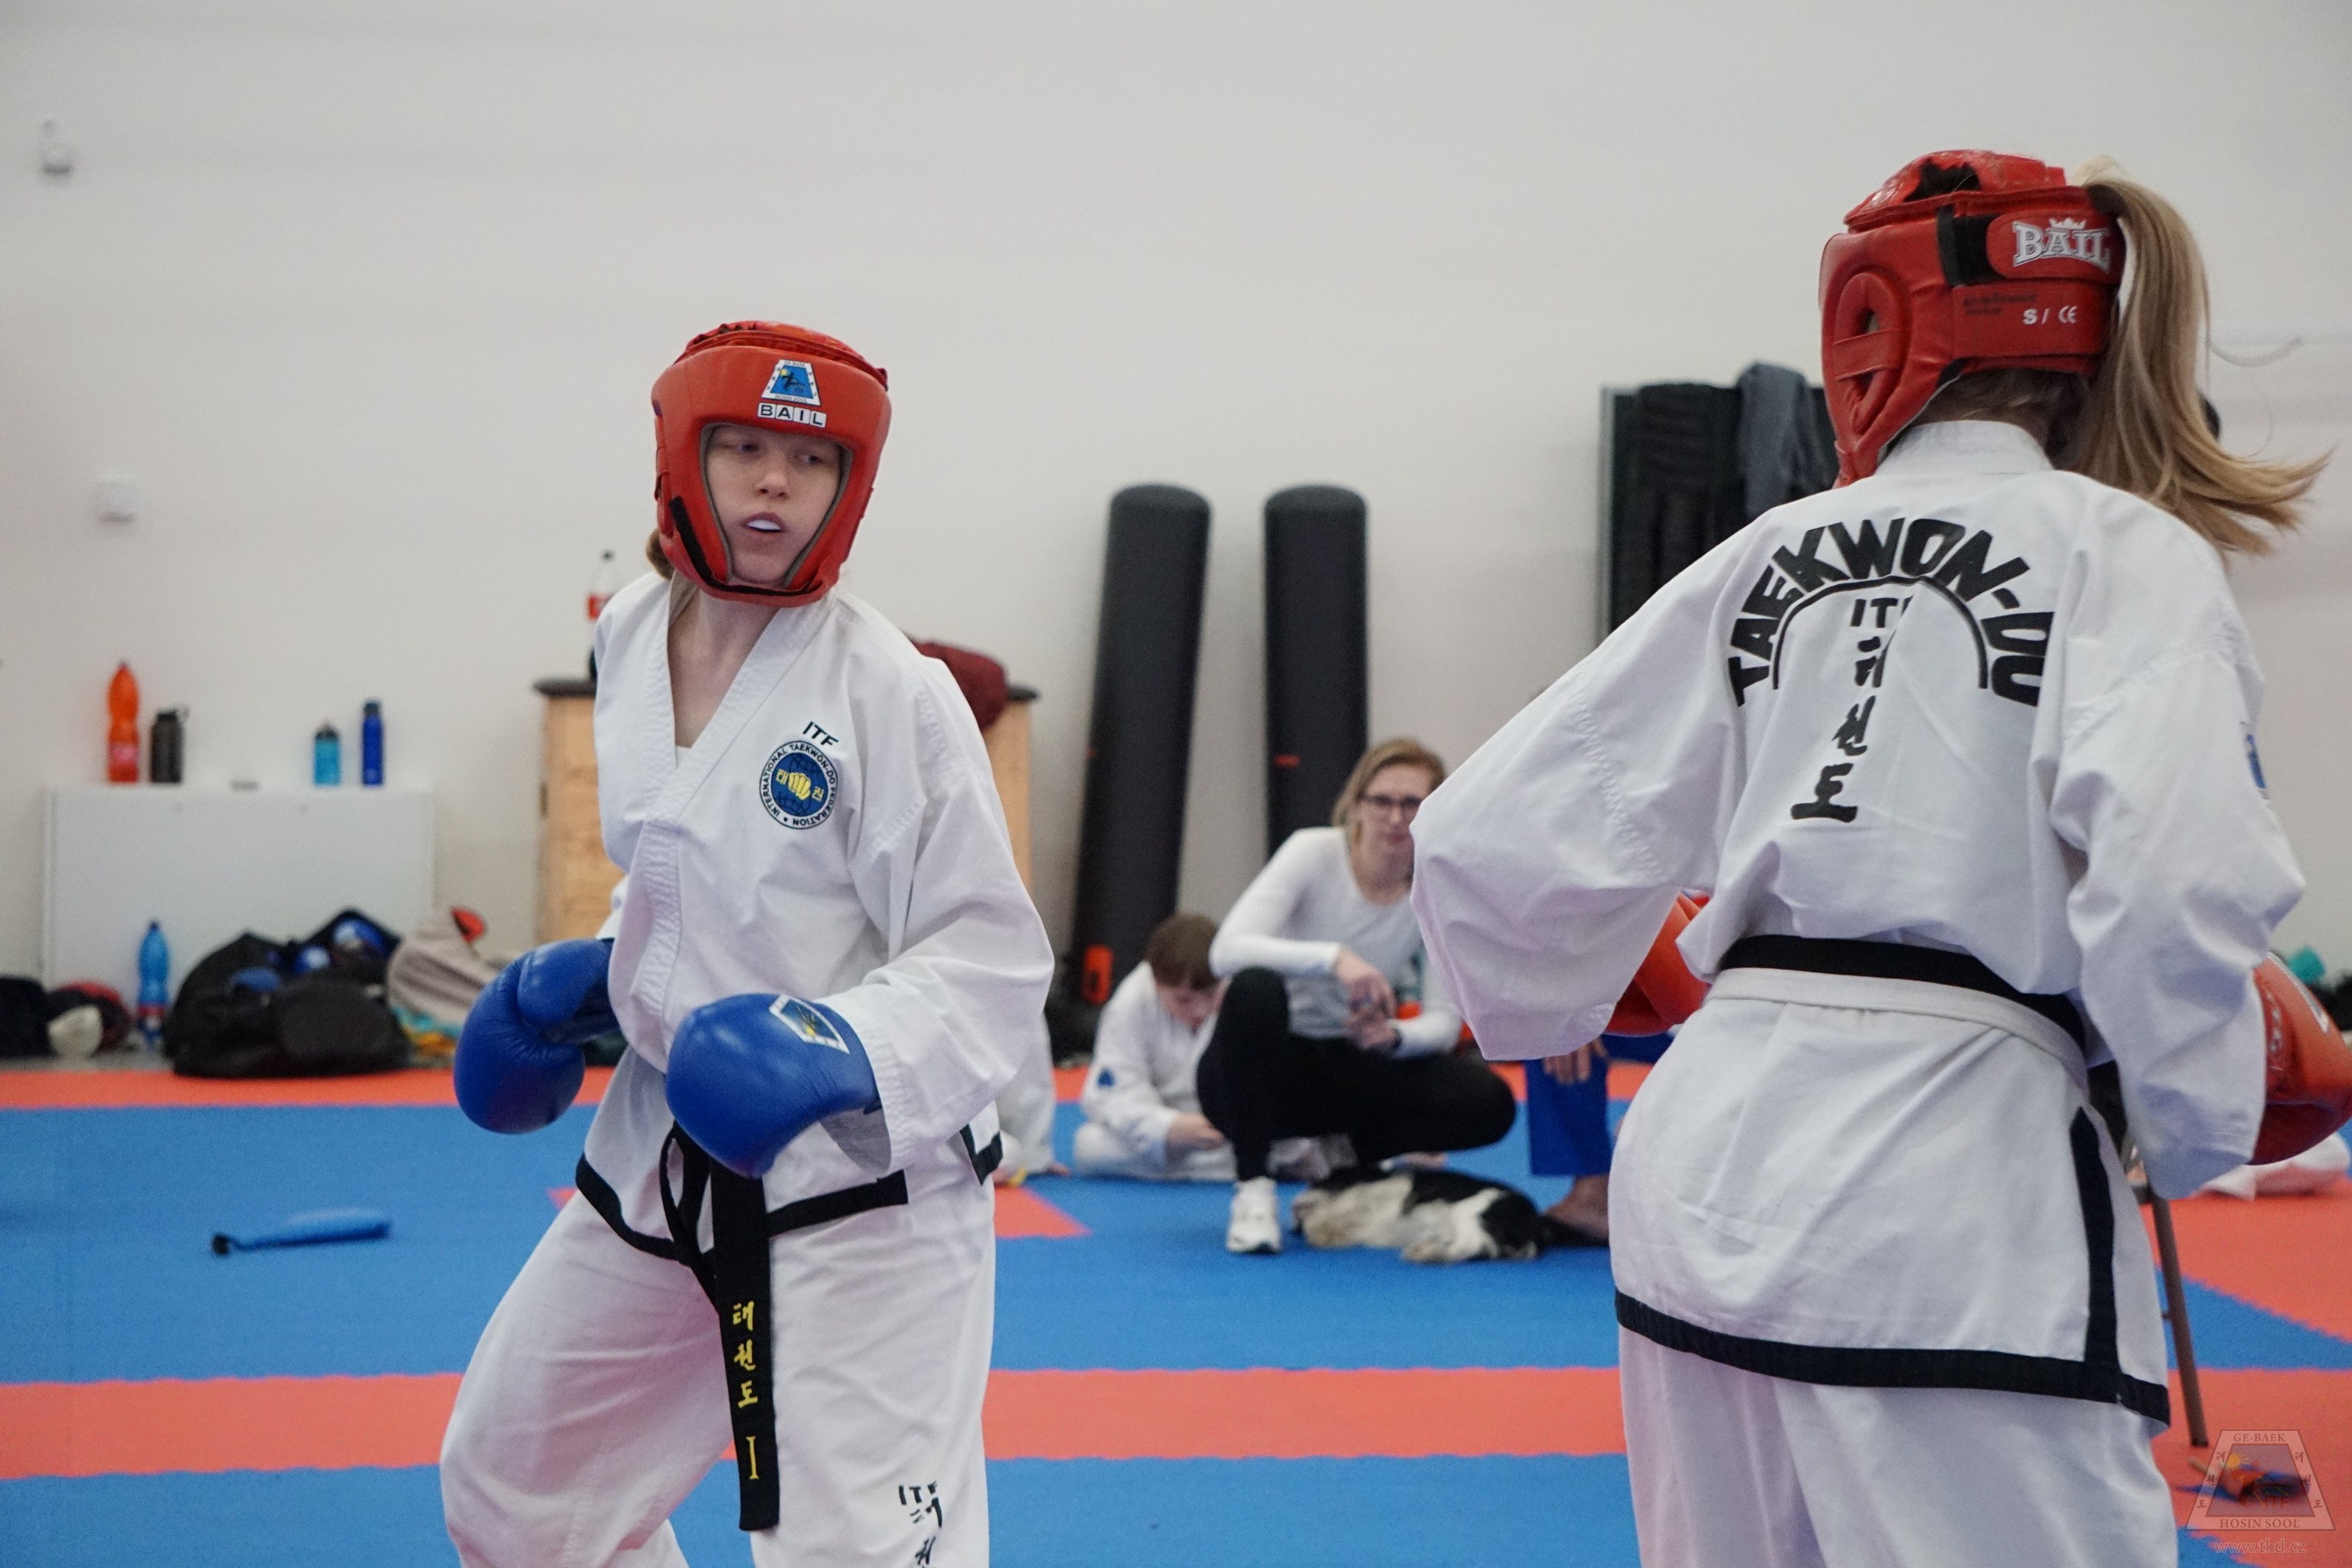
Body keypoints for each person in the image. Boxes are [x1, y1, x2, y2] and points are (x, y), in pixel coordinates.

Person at [1413, 152, 2322, 1566]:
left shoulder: (1769, 549)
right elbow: (2178, 882)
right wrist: (2195, 1107)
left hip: (1702, 1164)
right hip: (1955, 1186)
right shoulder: (2121, 552)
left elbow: (1480, 834)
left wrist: (1557, 997)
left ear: (1873, 323)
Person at [442, 322, 1053, 1568]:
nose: (776, 482)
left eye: (811, 460)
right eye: (745, 449)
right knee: (522, 1486)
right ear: (684, 457)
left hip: (860, 1180)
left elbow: (990, 958)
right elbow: (686, 856)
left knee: (850, 1552)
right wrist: (611, 967)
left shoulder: (892, 692)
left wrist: (840, 1042)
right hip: (667, 1142)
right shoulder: (628, 632)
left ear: (849, 487)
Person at [1198, 737, 1517, 1254]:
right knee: (1255, 987)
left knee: (1490, 1102)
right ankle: (1254, 1189)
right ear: (1356, 804)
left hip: (1348, 1061)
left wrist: (1393, 1037)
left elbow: (1443, 1020)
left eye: (1412, 804)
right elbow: (1225, 951)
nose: (1395, 818)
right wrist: (1334, 959)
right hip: (1259, 1074)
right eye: (1381, 801)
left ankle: (1346, 1156)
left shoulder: (1435, 887)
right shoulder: (1313, 852)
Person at [1071, 913, 1236, 1181]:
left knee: (1293, 1147)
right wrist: (1166, 1127)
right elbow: (1115, 1094)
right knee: (1089, 1146)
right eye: (1184, 1000)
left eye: (1210, 994)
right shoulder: (1133, 1000)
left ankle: (1211, 1165)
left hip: (1227, 1129)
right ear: (1157, 985)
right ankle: (1225, 1169)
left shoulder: (1242, 991)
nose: (1200, 1010)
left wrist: (1233, 1123)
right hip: (1162, 1127)